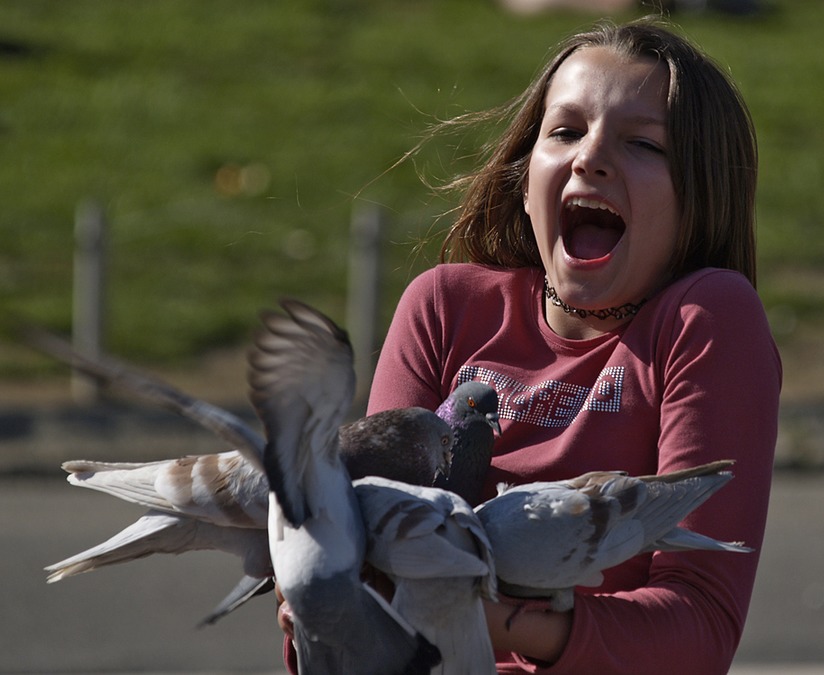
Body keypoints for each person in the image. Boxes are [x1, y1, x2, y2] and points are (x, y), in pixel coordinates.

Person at [277, 17, 781, 674]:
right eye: (566, 131)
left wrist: (503, 625)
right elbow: (364, 563)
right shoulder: (443, 305)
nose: (590, 157)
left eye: (643, 144)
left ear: (699, 193)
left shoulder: (705, 317)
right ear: (524, 173)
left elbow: (700, 627)